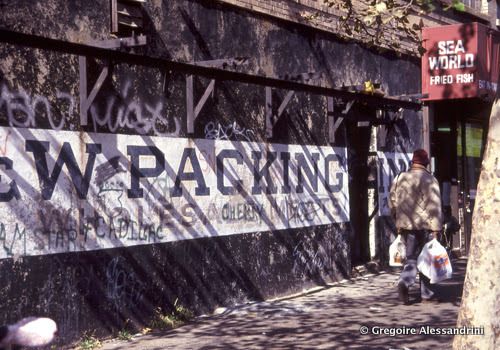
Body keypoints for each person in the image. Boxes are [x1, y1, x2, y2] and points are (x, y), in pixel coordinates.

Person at [389, 149, 443, 304]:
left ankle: (411, 286)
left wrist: (397, 218)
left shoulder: (400, 177)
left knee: (411, 257)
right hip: (424, 226)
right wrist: (436, 229)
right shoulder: (430, 179)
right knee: (425, 258)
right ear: (426, 163)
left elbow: (392, 200)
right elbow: (435, 207)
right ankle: (420, 291)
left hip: (405, 226)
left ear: (412, 162)